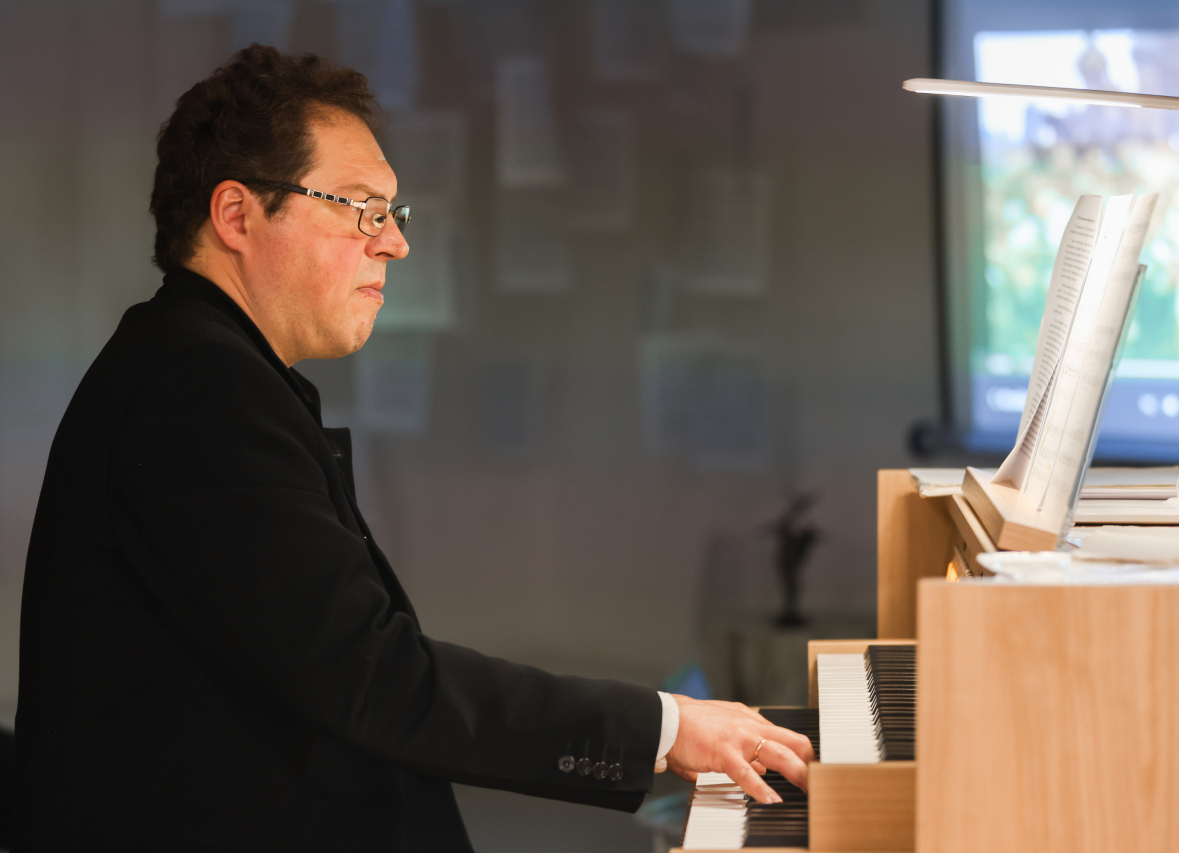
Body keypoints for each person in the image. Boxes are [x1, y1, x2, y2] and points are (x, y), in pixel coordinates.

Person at [15, 45, 813, 852]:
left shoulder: (203, 367)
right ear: (237, 216)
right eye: (364, 209)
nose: (394, 243)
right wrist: (663, 727)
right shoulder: (197, 388)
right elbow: (372, 675)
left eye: (395, 213)